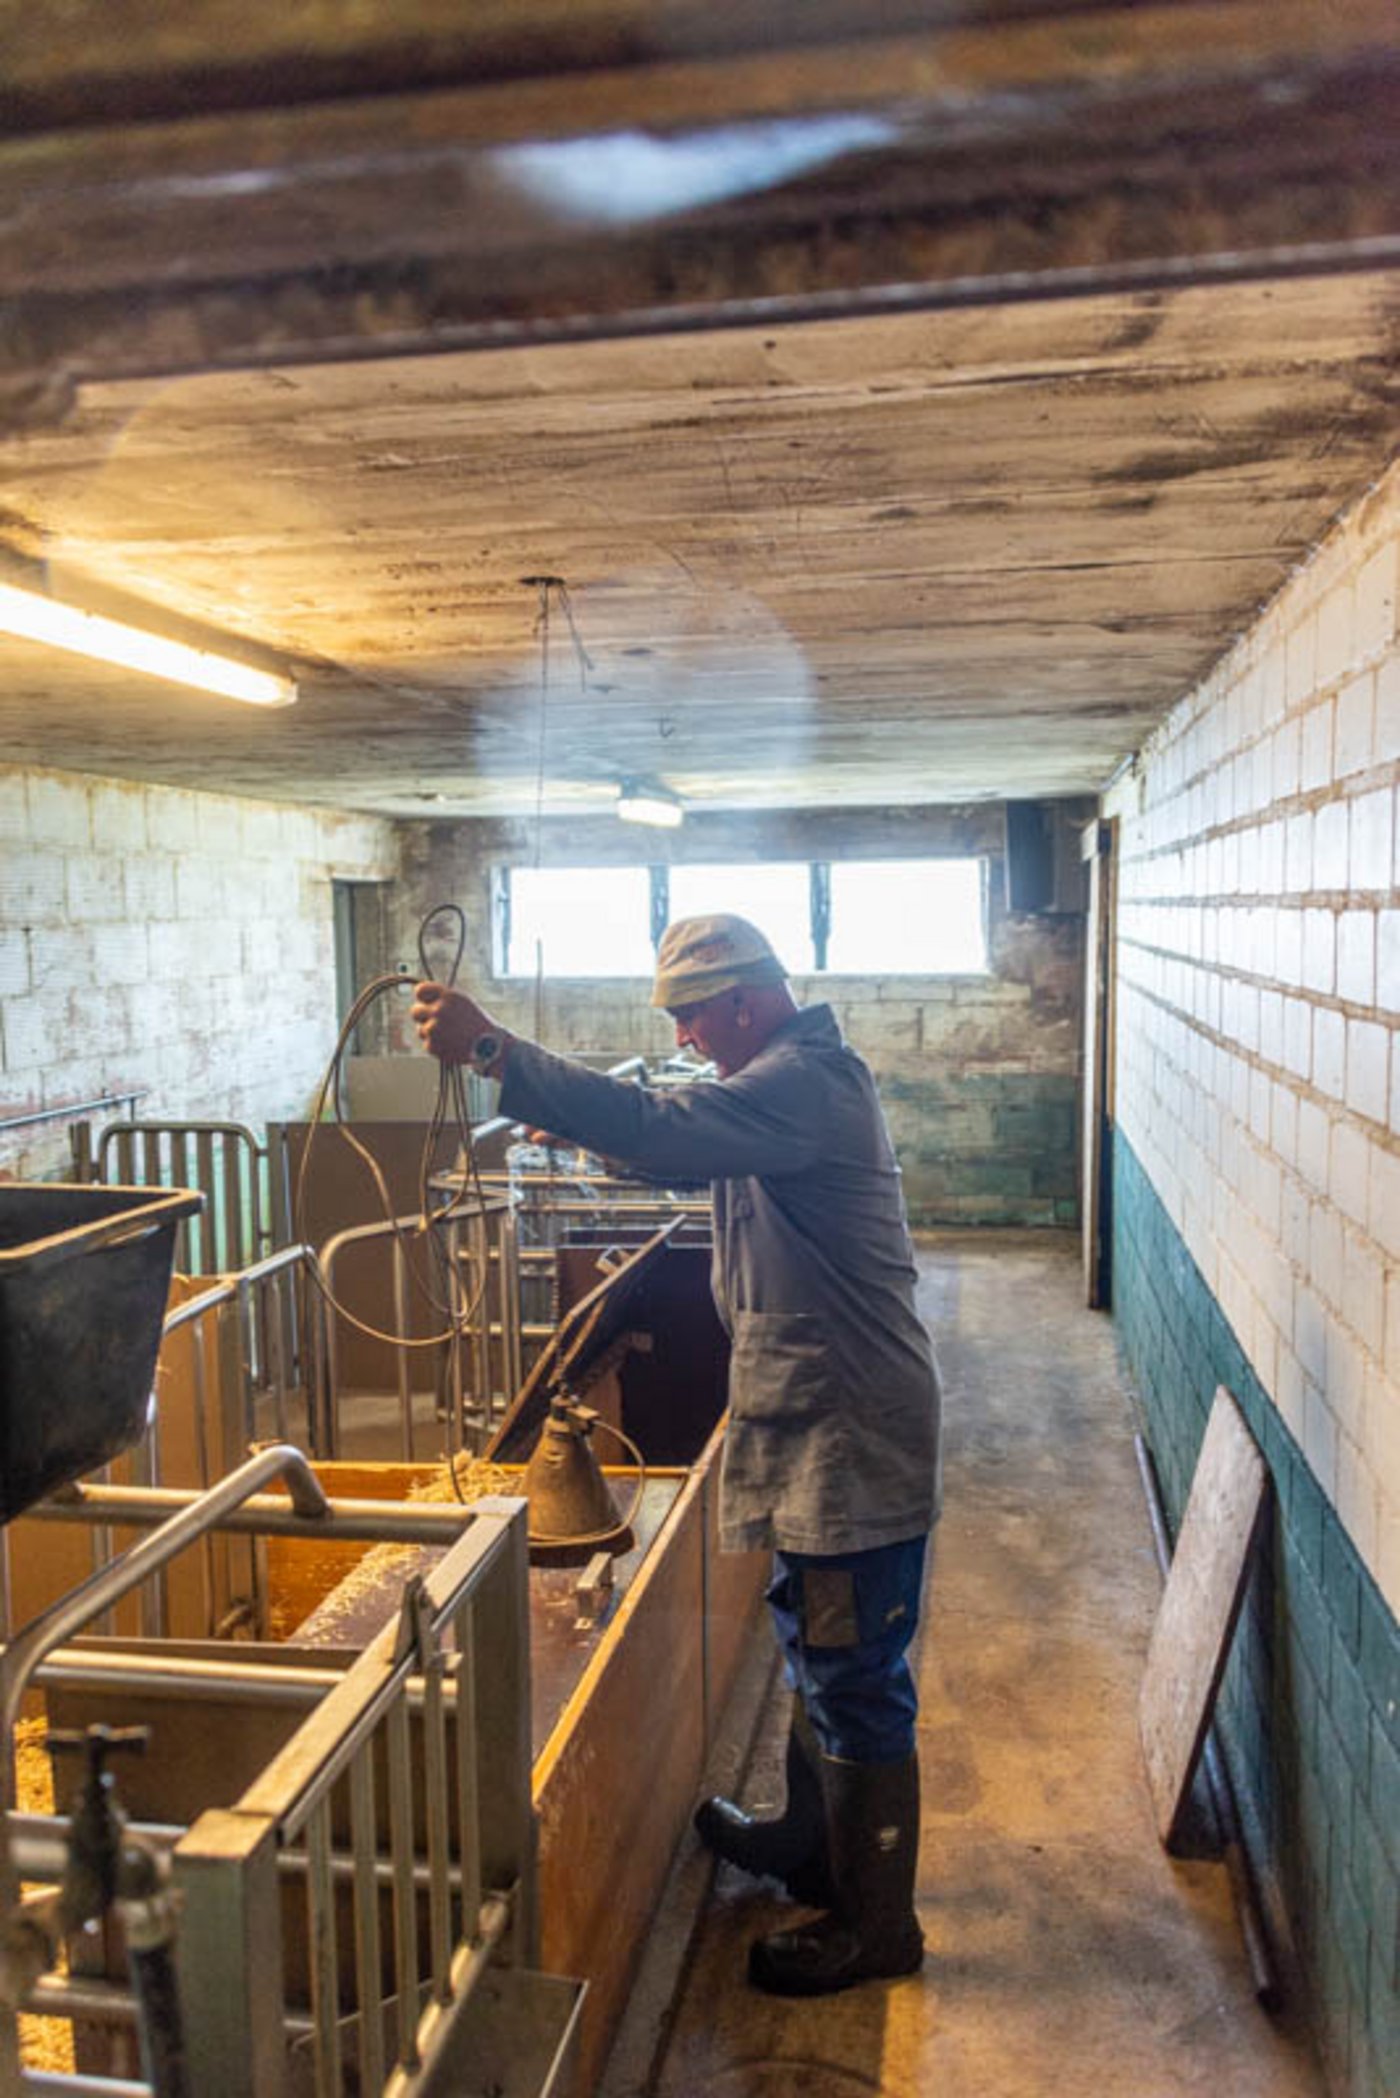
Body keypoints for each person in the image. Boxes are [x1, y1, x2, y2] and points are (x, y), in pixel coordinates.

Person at [412, 913, 941, 1997]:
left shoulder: (804, 1081)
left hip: (851, 1432)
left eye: (692, 1017)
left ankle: (875, 1923)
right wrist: (598, 1138)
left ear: (744, 999)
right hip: (813, 1422)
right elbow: (682, 1146)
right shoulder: (784, 1079)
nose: (688, 1038)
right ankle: (810, 1841)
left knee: (856, 1676)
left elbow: (666, 1119)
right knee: (813, 1643)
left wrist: (494, 1054)